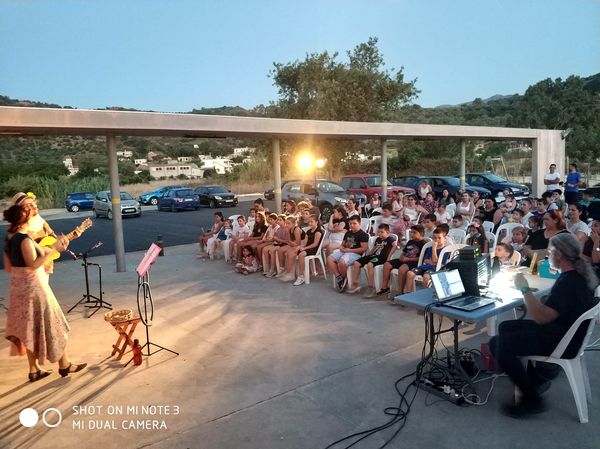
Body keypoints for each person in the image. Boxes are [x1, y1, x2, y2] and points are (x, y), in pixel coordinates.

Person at [489, 233, 599, 418]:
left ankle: (531, 398)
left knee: (497, 344)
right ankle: (534, 377)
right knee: (506, 326)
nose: (548, 255)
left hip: (560, 341)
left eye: (550, 251)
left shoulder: (568, 283)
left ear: (559, 255)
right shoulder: (580, 275)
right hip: (569, 333)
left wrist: (524, 289)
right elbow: (557, 308)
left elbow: (540, 317)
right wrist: (538, 299)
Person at [3, 203, 86, 382]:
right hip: (35, 288)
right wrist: (54, 250)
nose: (33, 216)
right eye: (30, 214)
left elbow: (9, 266)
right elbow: (33, 264)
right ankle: (64, 364)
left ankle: (36, 370)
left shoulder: (10, 238)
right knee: (55, 324)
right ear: (25, 220)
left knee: (31, 329)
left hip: (19, 288)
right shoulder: (24, 239)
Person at [348, 224, 396, 297]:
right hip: (373, 256)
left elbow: (395, 245)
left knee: (370, 265)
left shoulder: (390, 239)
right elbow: (374, 248)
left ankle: (371, 287)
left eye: (382, 232)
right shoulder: (378, 239)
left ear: (388, 232)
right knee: (356, 263)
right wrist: (368, 256)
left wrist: (389, 257)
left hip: (381, 258)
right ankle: (356, 283)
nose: (379, 233)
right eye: (378, 232)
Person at [377, 224, 426, 297]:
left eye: (414, 232)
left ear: (421, 233)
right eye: (411, 232)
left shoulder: (424, 243)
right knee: (387, 264)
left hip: (415, 262)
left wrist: (409, 259)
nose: (412, 234)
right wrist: (401, 257)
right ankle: (384, 288)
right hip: (405, 259)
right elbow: (404, 252)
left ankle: (400, 292)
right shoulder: (410, 241)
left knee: (402, 269)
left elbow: (422, 258)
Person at [327, 215, 369, 292]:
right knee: (330, 258)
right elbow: (342, 244)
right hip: (345, 251)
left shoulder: (363, 235)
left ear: (359, 223)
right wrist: (341, 248)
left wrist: (348, 250)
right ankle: (339, 278)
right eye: (350, 223)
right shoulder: (348, 233)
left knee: (341, 262)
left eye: (354, 223)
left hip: (355, 254)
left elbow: (364, 249)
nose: (352, 225)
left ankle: (343, 278)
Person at [404, 227, 450, 294]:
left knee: (426, 277)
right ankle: (409, 294)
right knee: (409, 273)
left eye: (439, 238)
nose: (437, 240)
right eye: (435, 238)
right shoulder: (429, 248)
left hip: (436, 269)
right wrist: (433, 261)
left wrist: (434, 249)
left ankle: (426, 295)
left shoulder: (445, 250)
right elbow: (425, 260)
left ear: (444, 238)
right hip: (425, 267)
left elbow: (437, 262)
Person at [293, 215, 324, 286]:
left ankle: (301, 276)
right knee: (294, 251)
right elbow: (305, 243)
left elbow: (315, 244)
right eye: (309, 222)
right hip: (307, 248)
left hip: (314, 249)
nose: (310, 223)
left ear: (316, 222)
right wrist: (300, 246)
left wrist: (304, 248)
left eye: (311, 222)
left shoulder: (318, 232)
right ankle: (295, 272)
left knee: (301, 255)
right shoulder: (308, 231)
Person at [275, 216, 306, 281]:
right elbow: (288, 240)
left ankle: (290, 273)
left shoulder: (296, 229)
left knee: (290, 252)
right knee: (280, 250)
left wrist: (291, 243)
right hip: (293, 244)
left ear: (294, 224)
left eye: (289, 223)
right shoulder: (288, 229)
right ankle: (282, 269)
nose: (287, 225)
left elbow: (298, 243)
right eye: (286, 223)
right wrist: (287, 233)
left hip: (301, 245)